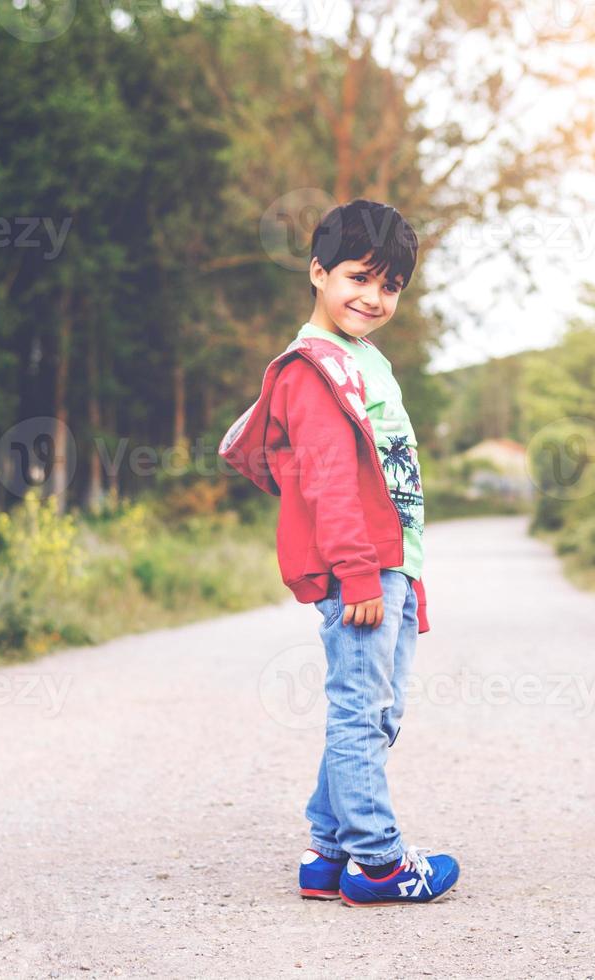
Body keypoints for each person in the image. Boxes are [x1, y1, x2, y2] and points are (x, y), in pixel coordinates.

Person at [218, 199, 460, 906]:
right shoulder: (313, 371)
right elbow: (327, 480)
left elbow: (392, 479)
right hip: (359, 569)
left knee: (378, 711)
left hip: (388, 566)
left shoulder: (366, 361)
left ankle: (327, 854)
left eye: (390, 287)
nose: (374, 298)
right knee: (361, 711)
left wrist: (406, 577)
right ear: (317, 272)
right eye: (359, 277)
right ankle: (379, 863)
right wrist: (360, 572)